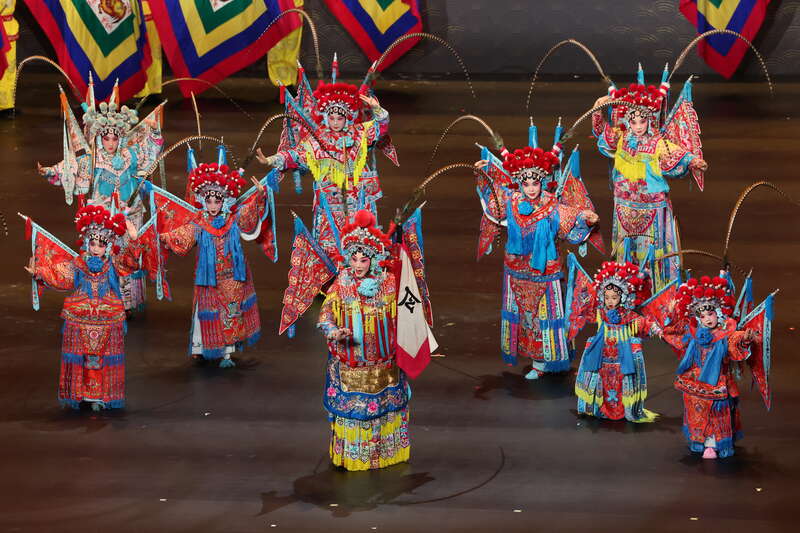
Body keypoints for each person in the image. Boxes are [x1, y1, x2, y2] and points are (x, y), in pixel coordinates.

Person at [37, 79, 164, 313]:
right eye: (106, 138)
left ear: (121, 138)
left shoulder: (130, 155)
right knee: (104, 254)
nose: (111, 143)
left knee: (127, 255)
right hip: (103, 216)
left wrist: (155, 134)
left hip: (130, 213)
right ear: (99, 138)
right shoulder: (92, 159)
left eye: (115, 138)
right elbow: (71, 168)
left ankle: (127, 302)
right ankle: (103, 299)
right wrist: (51, 171)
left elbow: (150, 152)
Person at [474, 142, 599, 378]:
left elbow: (571, 217)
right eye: (526, 184)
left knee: (548, 315)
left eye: (535, 183)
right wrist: (482, 175)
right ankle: (537, 362)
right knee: (527, 317)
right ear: (520, 183)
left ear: (542, 182)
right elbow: (492, 199)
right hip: (518, 270)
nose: (531, 189)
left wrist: (586, 217)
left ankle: (552, 359)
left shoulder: (551, 204)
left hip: (545, 272)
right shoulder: (511, 201)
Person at [592, 65, 707, 290]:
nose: (637, 127)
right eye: (633, 122)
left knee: (654, 251)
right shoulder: (622, 137)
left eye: (642, 122)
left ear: (650, 120)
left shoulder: (658, 143)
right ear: (627, 121)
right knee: (626, 249)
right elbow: (601, 134)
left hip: (652, 207)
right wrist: (598, 109)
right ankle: (625, 287)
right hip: (624, 205)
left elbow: (676, 155)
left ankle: (657, 287)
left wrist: (694, 161)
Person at [256, 68, 392, 256]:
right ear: (326, 118)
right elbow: (295, 156)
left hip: (357, 196)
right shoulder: (317, 139)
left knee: (361, 246)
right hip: (329, 199)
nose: (335, 122)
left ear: (347, 118)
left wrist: (376, 109)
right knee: (330, 245)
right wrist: (271, 159)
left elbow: (380, 127)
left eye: (340, 118)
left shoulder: (358, 133)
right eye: (332, 118)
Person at [316, 210, 411, 470]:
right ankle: (355, 457)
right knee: (355, 413)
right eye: (354, 259)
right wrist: (334, 332)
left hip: (384, 363)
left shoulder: (389, 282)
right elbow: (325, 314)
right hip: (352, 364)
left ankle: (385, 455)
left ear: (374, 259)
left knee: (385, 410)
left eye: (364, 260)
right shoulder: (342, 283)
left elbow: (406, 311)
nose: (358, 265)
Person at [23, 204, 141, 410]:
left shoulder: (113, 263)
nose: (95, 249)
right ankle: (83, 394)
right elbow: (61, 276)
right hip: (81, 317)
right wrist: (39, 272)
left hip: (107, 318)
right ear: (87, 243)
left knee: (101, 359)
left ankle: (100, 396)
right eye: (92, 243)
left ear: (108, 247)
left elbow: (131, 262)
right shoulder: (79, 263)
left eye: (101, 245)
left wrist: (133, 238)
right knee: (84, 358)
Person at [159, 163, 267, 368]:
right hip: (208, 276)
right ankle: (201, 348)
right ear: (203, 201)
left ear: (224, 201)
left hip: (232, 275)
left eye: (217, 201)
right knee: (205, 310)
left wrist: (260, 196)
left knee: (231, 312)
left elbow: (249, 216)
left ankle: (227, 353)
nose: (213, 206)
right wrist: (165, 237)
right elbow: (183, 236)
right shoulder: (200, 222)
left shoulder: (233, 220)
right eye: (209, 201)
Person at [660, 275, 761, 458]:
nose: (707, 319)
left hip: (718, 381)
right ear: (697, 318)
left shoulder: (726, 334)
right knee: (696, 411)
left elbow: (736, 342)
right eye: (703, 316)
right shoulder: (693, 333)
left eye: (711, 314)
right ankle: (701, 442)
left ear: (719, 313)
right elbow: (673, 336)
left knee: (717, 412)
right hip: (695, 380)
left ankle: (715, 443)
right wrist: (671, 314)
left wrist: (745, 338)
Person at [572, 260, 661, 422]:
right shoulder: (601, 312)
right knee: (603, 382)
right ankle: (601, 408)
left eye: (614, 297)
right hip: (602, 356)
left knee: (621, 382)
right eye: (607, 297)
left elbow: (642, 322)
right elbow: (586, 312)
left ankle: (623, 410)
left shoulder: (626, 314)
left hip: (622, 357)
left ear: (622, 297)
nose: (610, 301)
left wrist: (655, 328)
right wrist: (584, 297)